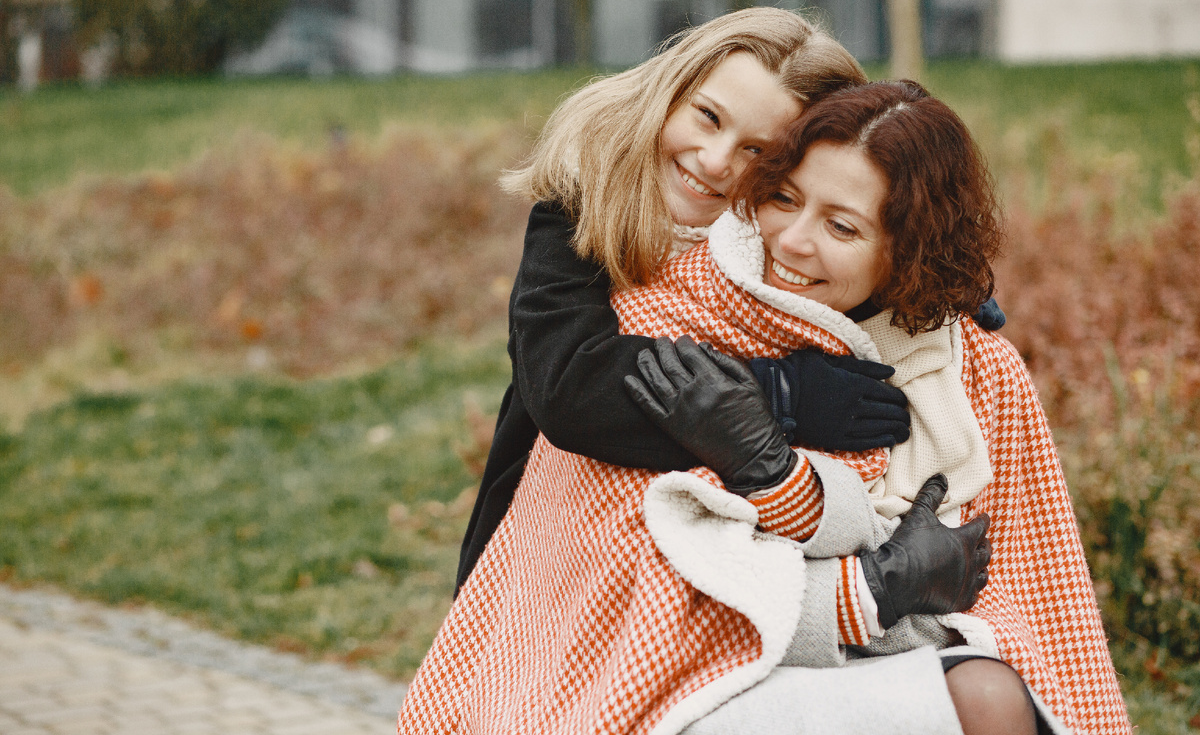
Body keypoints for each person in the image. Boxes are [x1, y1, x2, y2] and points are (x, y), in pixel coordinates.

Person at [401, 80, 1120, 734]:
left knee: (992, 693)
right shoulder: (670, 315)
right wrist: (857, 578)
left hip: (853, 654)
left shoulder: (967, 371)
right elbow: (646, 585)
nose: (793, 242)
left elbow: (987, 593)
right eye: (783, 198)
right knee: (974, 700)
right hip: (677, 681)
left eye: (843, 228)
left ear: (909, 252)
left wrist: (843, 554)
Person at [459, 7, 932, 593]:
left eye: (759, 152)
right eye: (708, 117)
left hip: (738, 548)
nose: (715, 161)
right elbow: (568, 386)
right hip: (553, 543)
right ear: (674, 88)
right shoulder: (584, 198)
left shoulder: (782, 229)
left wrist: (928, 284)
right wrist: (782, 395)